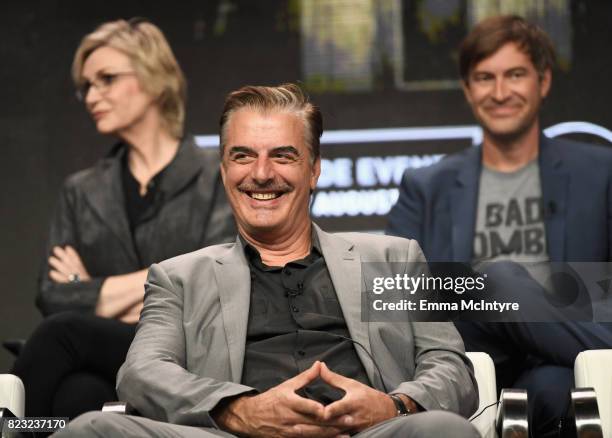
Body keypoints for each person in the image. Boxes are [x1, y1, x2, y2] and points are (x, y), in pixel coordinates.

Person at [54, 84, 480, 437]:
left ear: (314, 170)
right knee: (92, 430)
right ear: (223, 171)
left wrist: (392, 406)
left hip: (365, 433)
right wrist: (240, 410)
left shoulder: (390, 259)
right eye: (242, 156)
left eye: (282, 155)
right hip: (232, 435)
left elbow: (450, 368)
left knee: (444, 429)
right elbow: (142, 373)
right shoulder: (180, 277)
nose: (261, 173)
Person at [386, 15, 612, 437]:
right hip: (470, 358)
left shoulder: (600, 173)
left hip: (557, 365)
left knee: (550, 388)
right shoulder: (426, 186)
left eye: (515, 75)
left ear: (543, 82)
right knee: (498, 279)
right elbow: (397, 293)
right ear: (469, 90)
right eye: (485, 78)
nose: (501, 92)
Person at [12, 18, 235, 421]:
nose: (92, 96)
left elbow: (214, 278)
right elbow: (52, 294)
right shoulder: (81, 190)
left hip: (186, 351)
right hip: (110, 357)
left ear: (154, 79)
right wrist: (167, 284)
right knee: (75, 396)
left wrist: (89, 288)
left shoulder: (215, 175)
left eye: (106, 79)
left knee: (61, 333)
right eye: (86, 87)